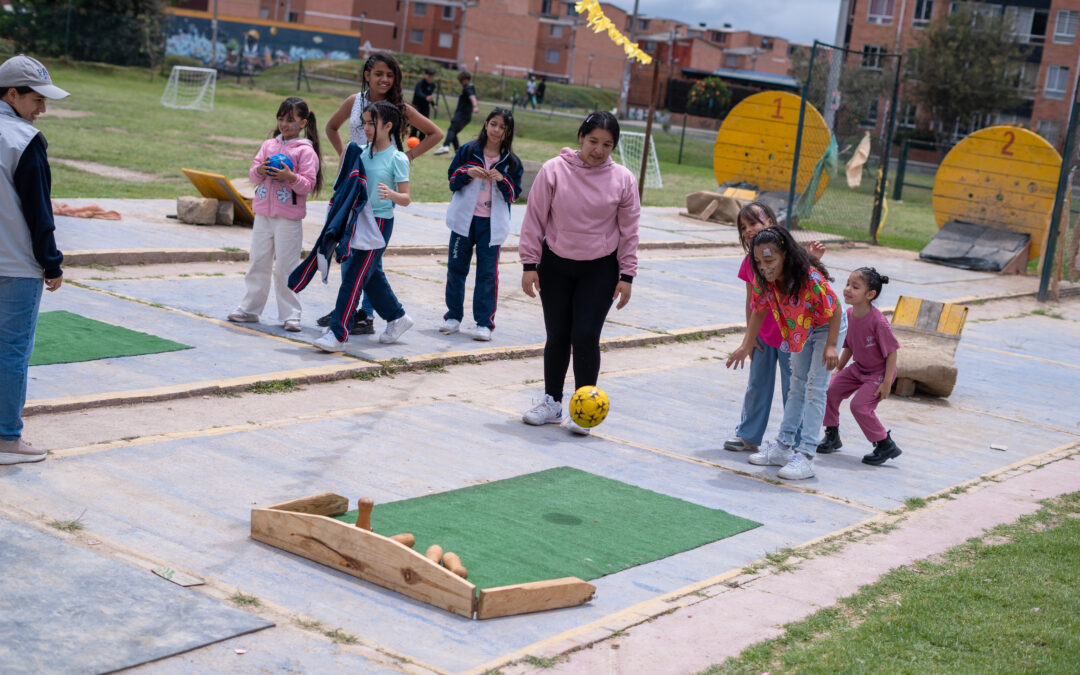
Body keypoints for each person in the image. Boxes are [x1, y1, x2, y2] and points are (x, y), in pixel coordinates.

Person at [519, 111, 640, 436]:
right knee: (558, 335)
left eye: (607, 145)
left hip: (600, 268)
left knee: (585, 336)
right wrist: (530, 264)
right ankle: (551, 403)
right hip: (555, 264)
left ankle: (583, 409)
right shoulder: (553, 171)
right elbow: (535, 218)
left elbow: (630, 231)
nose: (598, 150)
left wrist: (627, 274)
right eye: (593, 141)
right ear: (580, 137)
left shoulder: (623, 179)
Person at [322, 53, 442, 335]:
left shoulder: (399, 108)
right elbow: (330, 127)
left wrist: (407, 156)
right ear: (367, 75)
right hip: (352, 185)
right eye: (378, 74)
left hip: (378, 190)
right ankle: (371, 313)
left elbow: (435, 134)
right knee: (359, 254)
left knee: (364, 255)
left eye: (390, 75)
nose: (384, 79)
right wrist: (344, 152)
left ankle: (360, 312)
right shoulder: (354, 102)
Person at [725, 226, 846, 480]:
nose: (764, 266)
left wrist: (832, 345)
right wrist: (747, 344)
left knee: (815, 388)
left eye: (769, 260)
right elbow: (758, 310)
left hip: (826, 328)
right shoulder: (765, 280)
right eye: (758, 261)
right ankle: (783, 447)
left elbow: (834, 310)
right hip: (801, 331)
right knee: (797, 386)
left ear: (785, 256)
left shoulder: (808, 279)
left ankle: (807, 455)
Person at [0, 55, 67, 465]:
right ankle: (7, 437)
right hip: (17, 264)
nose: (42, 108)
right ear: (12, 94)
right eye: (36, 99)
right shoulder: (24, 140)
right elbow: (38, 210)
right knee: (11, 351)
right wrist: (52, 262)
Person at [310, 101, 413, 351]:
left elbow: (406, 198)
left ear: (388, 126)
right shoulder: (359, 152)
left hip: (379, 224)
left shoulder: (398, 158)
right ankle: (398, 317)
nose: (365, 128)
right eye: (364, 122)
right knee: (370, 275)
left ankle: (337, 333)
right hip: (356, 220)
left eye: (371, 123)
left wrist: (392, 194)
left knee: (354, 276)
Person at [724, 202, 824, 453]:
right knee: (757, 385)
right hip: (764, 336)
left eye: (754, 223)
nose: (748, 230)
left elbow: (809, 285)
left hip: (793, 337)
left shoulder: (788, 258)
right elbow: (752, 302)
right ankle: (748, 435)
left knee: (794, 388)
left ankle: (797, 440)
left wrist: (812, 260)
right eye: (743, 227)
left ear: (771, 222)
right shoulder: (749, 263)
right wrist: (750, 337)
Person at [228, 97, 322, 332]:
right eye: (281, 118)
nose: (283, 123)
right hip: (262, 215)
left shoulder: (306, 151)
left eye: (290, 119)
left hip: (288, 218)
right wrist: (260, 170)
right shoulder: (269, 145)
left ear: (303, 122)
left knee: (286, 267)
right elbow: (253, 174)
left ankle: (291, 315)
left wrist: (290, 177)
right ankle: (249, 309)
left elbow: (308, 185)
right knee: (258, 261)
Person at [442, 108, 523, 341]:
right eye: (494, 124)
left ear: (508, 132)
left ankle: (484, 323)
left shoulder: (512, 162)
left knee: (487, 274)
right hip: (463, 221)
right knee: (456, 269)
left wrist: (502, 179)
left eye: (503, 127)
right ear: (486, 124)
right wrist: (468, 172)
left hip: (491, 224)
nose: (497, 130)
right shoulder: (468, 150)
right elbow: (452, 181)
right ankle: (453, 317)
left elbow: (514, 195)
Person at [819, 267, 902, 466]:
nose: (847, 289)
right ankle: (832, 436)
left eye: (855, 287)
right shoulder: (847, 314)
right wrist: (838, 370)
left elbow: (892, 353)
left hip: (879, 373)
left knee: (860, 407)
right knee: (829, 391)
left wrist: (887, 383)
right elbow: (848, 345)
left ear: (870, 294)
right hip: (859, 368)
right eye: (847, 284)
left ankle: (884, 444)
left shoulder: (878, 322)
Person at [434, 71, 478, 155]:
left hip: (462, 115)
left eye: (461, 81)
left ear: (465, 80)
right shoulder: (468, 87)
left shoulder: (469, 87)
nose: (460, 83)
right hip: (463, 115)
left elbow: (472, 97)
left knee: (452, 130)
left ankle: (445, 146)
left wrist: (475, 106)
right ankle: (458, 153)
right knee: (453, 132)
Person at [410, 67, 437, 141]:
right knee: (414, 126)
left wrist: (433, 104)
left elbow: (430, 96)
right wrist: (425, 97)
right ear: (425, 75)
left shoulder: (432, 85)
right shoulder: (420, 83)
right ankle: (412, 141)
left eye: (432, 77)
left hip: (425, 108)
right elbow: (418, 93)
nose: (430, 78)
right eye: (429, 76)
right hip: (416, 107)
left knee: (425, 125)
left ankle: (422, 141)